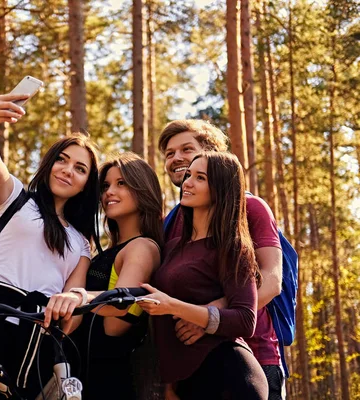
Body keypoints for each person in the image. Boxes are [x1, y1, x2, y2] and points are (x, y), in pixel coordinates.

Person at [0, 93, 101, 399]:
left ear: (87, 184)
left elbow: (74, 311)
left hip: (34, 339)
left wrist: (71, 301)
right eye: (62, 160)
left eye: (80, 168)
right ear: (49, 164)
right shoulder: (15, 199)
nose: (67, 170)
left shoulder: (80, 243)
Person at [158, 119, 284, 399]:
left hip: (254, 357)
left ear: (213, 155)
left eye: (186, 149)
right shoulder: (175, 221)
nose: (176, 158)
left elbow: (272, 280)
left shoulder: (250, 206)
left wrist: (208, 315)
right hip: (193, 368)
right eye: (169, 153)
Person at [138, 151, 268, 399]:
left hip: (230, 377)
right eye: (188, 175)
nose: (187, 182)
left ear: (220, 188)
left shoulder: (232, 247)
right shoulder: (173, 246)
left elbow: (245, 319)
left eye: (200, 178)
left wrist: (173, 306)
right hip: (186, 383)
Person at [43, 152, 163, 399]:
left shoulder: (143, 247)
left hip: (108, 381)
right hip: (79, 376)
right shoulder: (108, 251)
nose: (109, 192)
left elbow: (119, 315)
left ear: (143, 190)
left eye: (122, 184)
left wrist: (80, 297)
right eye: (106, 186)